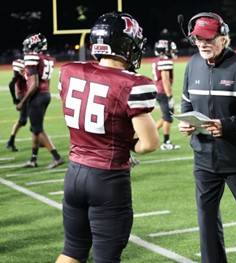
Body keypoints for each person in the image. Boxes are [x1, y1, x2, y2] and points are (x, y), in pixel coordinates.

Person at [54, 12, 160, 263]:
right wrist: (126, 145)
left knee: (72, 251)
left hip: (74, 174)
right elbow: (150, 143)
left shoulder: (69, 71)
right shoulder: (132, 84)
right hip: (108, 179)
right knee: (107, 258)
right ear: (126, 45)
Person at [177, 12, 236, 263]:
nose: (203, 44)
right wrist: (187, 123)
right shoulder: (192, 64)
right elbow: (186, 104)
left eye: (209, 39)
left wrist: (228, 125)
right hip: (204, 158)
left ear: (224, 38)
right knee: (207, 221)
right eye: (198, 39)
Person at [17, 33, 64, 168]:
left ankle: (57, 157)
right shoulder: (47, 58)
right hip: (45, 95)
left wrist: (23, 101)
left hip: (37, 96)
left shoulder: (32, 58)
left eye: (27, 46)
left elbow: (34, 84)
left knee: (37, 129)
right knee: (35, 128)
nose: (25, 50)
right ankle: (33, 159)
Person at [152, 39, 180, 150]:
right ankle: (166, 142)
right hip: (163, 92)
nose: (173, 51)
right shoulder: (164, 61)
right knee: (168, 117)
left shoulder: (157, 60)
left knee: (165, 116)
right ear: (165, 50)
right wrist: (170, 96)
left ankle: (145, 134)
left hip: (158, 91)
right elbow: (165, 80)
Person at [6, 59, 28, 152]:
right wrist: (15, 99)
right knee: (22, 121)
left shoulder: (29, 63)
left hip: (29, 94)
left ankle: (39, 138)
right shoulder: (19, 71)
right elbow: (11, 84)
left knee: (36, 119)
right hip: (23, 96)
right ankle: (10, 142)